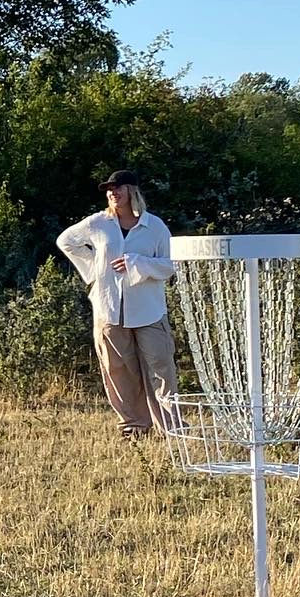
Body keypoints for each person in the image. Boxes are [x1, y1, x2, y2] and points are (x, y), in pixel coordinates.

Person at [56, 170, 179, 439]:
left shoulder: (154, 226)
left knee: (160, 367)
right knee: (118, 369)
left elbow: (170, 265)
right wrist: (94, 270)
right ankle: (134, 426)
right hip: (109, 307)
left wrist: (138, 263)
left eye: (118, 187)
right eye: (109, 189)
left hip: (148, 309)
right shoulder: (98, 223)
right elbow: (66, 241)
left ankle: (171, 430)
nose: (113, 192)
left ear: (132, 191)